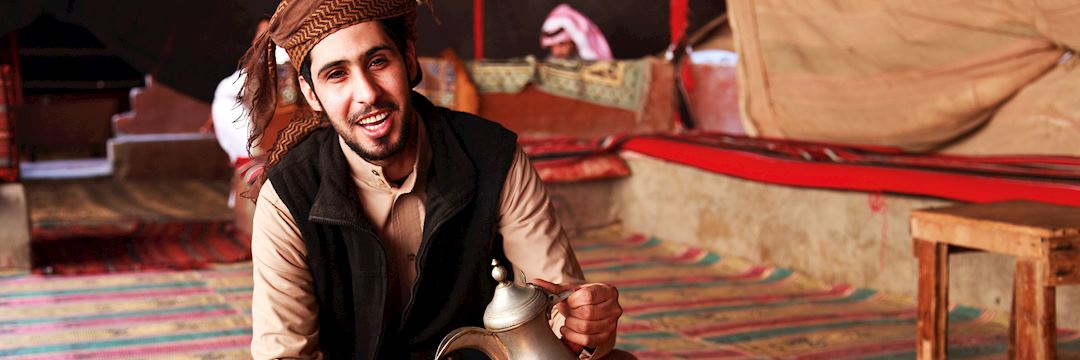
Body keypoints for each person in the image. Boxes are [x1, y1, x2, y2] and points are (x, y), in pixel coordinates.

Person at [239, 0, 623, 359]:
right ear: (312, 94)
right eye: (336, 74)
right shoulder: (289, 195)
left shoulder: (492, 157)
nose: (367, 94)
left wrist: (582, 325)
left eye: (377, 62)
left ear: (408, 59)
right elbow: (284, 353)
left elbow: (555, 302)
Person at [540, 4, 613, 61]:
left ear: (573, 41)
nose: (557, 52)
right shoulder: (550, 62)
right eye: (552, 46)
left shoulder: (587, 63)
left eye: (562, 44)